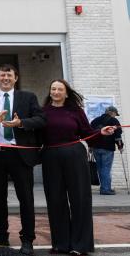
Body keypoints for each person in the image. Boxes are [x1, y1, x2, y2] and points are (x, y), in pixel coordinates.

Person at [0, 64, 46, 256]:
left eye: (9, 75)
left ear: (16, 78)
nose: (5, 78)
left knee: (26, 198)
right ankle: (1, 234)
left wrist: (21, 123)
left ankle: (27, 239)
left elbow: (41, 119)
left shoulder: (28, 97)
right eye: (2, 75)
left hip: (20, 154)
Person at [42, 79, 116, 255]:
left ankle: (80, 245)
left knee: (80, 199)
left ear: (66, 93)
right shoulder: (42, 111)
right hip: (51, 157)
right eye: (53, 89)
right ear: (50, 91)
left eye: (60, 89)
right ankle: (61, 244)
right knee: (55, 200)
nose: (56, 92)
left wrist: (101, 133)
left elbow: (87, 133)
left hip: (75, 155)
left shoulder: (75, 111)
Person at [90, 106, 124, 195]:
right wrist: (120, 146)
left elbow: (89, 134)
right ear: (112, 112)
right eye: (115, 114)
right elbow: (118, 135)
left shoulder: (95, 120)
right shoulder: (114, 121)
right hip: (107, 148)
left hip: (95, 148)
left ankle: (104, 187)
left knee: (100, 168)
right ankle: (106, 189)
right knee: (106, 168)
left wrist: (90, 146)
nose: (115, 116)